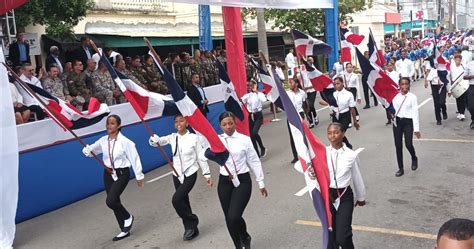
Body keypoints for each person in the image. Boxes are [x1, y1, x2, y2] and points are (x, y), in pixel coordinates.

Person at [149, 115, 212, 241]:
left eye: (181, 121)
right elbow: (157, 143)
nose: (179, 123)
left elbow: (201, 157)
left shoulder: (195, 138)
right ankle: (191, 229)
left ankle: (193, 220)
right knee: (183, 201)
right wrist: (153, 139)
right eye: (176, 121)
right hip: (177, 174)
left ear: (187, 123)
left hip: (190, 173)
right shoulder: (172, 137)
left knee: (176, 200)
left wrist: (207, 174)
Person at [82, 115, 145, 241]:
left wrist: (139, 175)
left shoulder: (126, 142)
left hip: (122, 173)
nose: (109, 126)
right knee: (115, 201)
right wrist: (87, 150)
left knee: (110, 201)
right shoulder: (103, 140)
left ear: (119, 126)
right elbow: (92, 151)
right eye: (108, 123)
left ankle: (128, 217)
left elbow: (135, 158)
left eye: (112, 123)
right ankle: (124, 229)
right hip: (108, 174)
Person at [210, 111, 268, 249]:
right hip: (224, 182)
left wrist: (261, 182)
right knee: (229, 218)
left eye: (230, 123)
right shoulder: (217, 140)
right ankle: (239, 244)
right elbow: (202, 153)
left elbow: (254, 161)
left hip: (242, 181)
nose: (228, 126)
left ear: (235, 123)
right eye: (224, 124)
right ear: (220, 126)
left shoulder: (244, 140)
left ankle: (245, 236)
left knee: (234, 216)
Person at [321, 122, 366, 249]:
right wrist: (310, 171)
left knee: (342, 236)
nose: (332, 136)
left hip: (344, 196)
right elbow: (305, 167)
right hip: (327, 196)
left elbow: (357, 177)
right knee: (331, 234)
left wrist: (361, 197)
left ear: (343, 133)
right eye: (329, 133)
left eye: (336, 132)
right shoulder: (322, 152)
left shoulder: (351, 155)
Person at [392, 77, 420, 177]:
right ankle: (401, 168)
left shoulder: (412, 97)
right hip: (397, 122)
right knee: (398, 146)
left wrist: (416, 129)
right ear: (399, 85)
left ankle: (414, 157)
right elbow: (390, 107)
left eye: (406, 84)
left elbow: (415, 113)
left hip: (408, 122)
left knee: (408, 144)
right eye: (402, 84)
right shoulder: (395, 96)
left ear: (409, 85)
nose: (404, 86)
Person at [330, 77, 360, 149]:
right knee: (336, 134)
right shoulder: (333, 94)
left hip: (345, 116)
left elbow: (352, 109)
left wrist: (355, 121)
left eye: (338, 83)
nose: (336, 85)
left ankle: (346, 147)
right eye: (335, 84)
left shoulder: (348, 94)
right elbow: (328, 103)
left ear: (342, 83)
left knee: (339, 133)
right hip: (336, 116)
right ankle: (347, 145)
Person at [241, 80, 267, 158]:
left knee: (254, 133)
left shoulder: (259, 94)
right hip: (250, 116)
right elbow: (241, 100)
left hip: (258, 115)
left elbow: (264, 100)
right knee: (251, 136)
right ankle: (256, 153)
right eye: (248, 85)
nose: (249, 87)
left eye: (251, 85)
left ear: (255, 85)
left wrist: (256, 91)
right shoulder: (247, 95)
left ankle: (262, 147)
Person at [287, 79, 307, 163]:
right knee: (292, 136)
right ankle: (295, 156)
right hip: (291, 115)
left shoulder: (302, 93)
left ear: (296, 83)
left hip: (300, 114)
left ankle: (305, 153)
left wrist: (306, 117)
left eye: (291, 82)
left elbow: (305, 104)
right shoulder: (287, 93)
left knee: (302, 135)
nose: (290, 84)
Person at [424, 57, 448, 125]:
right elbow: (428, 71)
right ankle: (438, 119)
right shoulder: (430, 61)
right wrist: (425, 81)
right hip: (434, 84)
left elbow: (447, 70)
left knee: (442, 102)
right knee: (436, 102)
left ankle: (444, 110)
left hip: (442, 83)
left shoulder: (443, 59)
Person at [301, 57, 319, 128]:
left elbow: (315, 83)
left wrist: (308, 87)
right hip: (305, 92)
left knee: (310, 105)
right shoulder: (302, 72)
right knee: (306, 106)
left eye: (310, 61)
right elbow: (298, 80)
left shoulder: (314, 71)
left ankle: (315, 116)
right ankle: (311, 122)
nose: (308, 62)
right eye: (307, 61)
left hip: (312, 90)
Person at [449, 55, 467, 121]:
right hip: (454, 84)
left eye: (459, 60)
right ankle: (460, 112)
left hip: (462, 83)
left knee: (462, 98)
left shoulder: (463, 66)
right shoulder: (452, 66)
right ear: (454, 60)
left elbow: (466, 73)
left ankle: (462, 113)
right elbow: (450, 74)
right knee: (458, 99)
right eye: (456, 60)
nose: (457, 61)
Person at [464, 60, 474, 129]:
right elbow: (464, 77)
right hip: (472, 86)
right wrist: (472, 76)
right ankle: (473, 119)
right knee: (471, 107)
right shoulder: (469, 64)